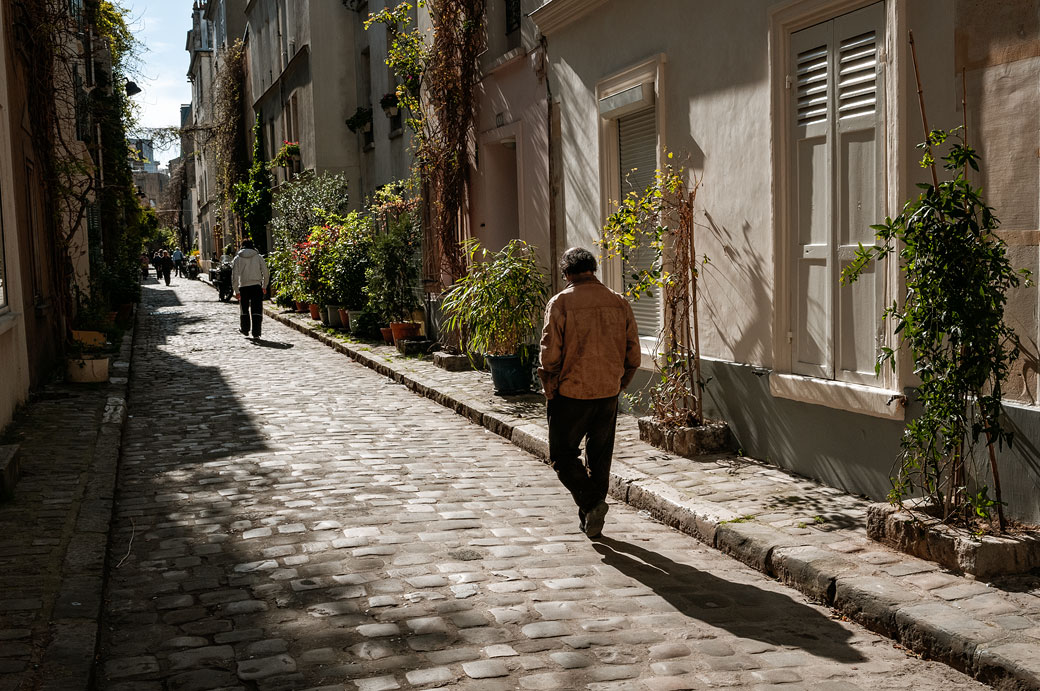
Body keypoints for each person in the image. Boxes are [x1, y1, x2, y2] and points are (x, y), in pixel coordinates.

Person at [538, 247, 640, 539]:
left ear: (566, 273)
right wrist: (619, 382)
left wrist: (550, 385)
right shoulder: (618, 302)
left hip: (572, 393)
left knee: (562, 455)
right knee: (599, 458)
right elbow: (633, 352)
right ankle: (590, 515)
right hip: (607, 393)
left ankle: (592, 504)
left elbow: (550, 354)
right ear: (592, 269)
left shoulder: (561, 303)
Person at [231, 239, 269, 339]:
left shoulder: (237, 258)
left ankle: (245, 329)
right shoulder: (258, 257)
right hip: (256, 286)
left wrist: (236, 290)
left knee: (244, 309)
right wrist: (264, 286)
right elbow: (265, 273)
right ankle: (256, 333)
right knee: (256, 310)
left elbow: (234, 276)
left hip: (243, 287)